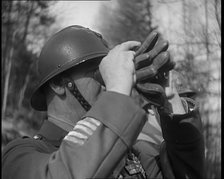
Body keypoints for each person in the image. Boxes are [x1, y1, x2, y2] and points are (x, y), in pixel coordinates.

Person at [2, 25, 204, 179]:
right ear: (58, 84)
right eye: (100, 74)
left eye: (109, 73)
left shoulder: (134, 156)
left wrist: (170, 101)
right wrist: (117, 89)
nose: (108, 82)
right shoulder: (20, 156)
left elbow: (185, 173)